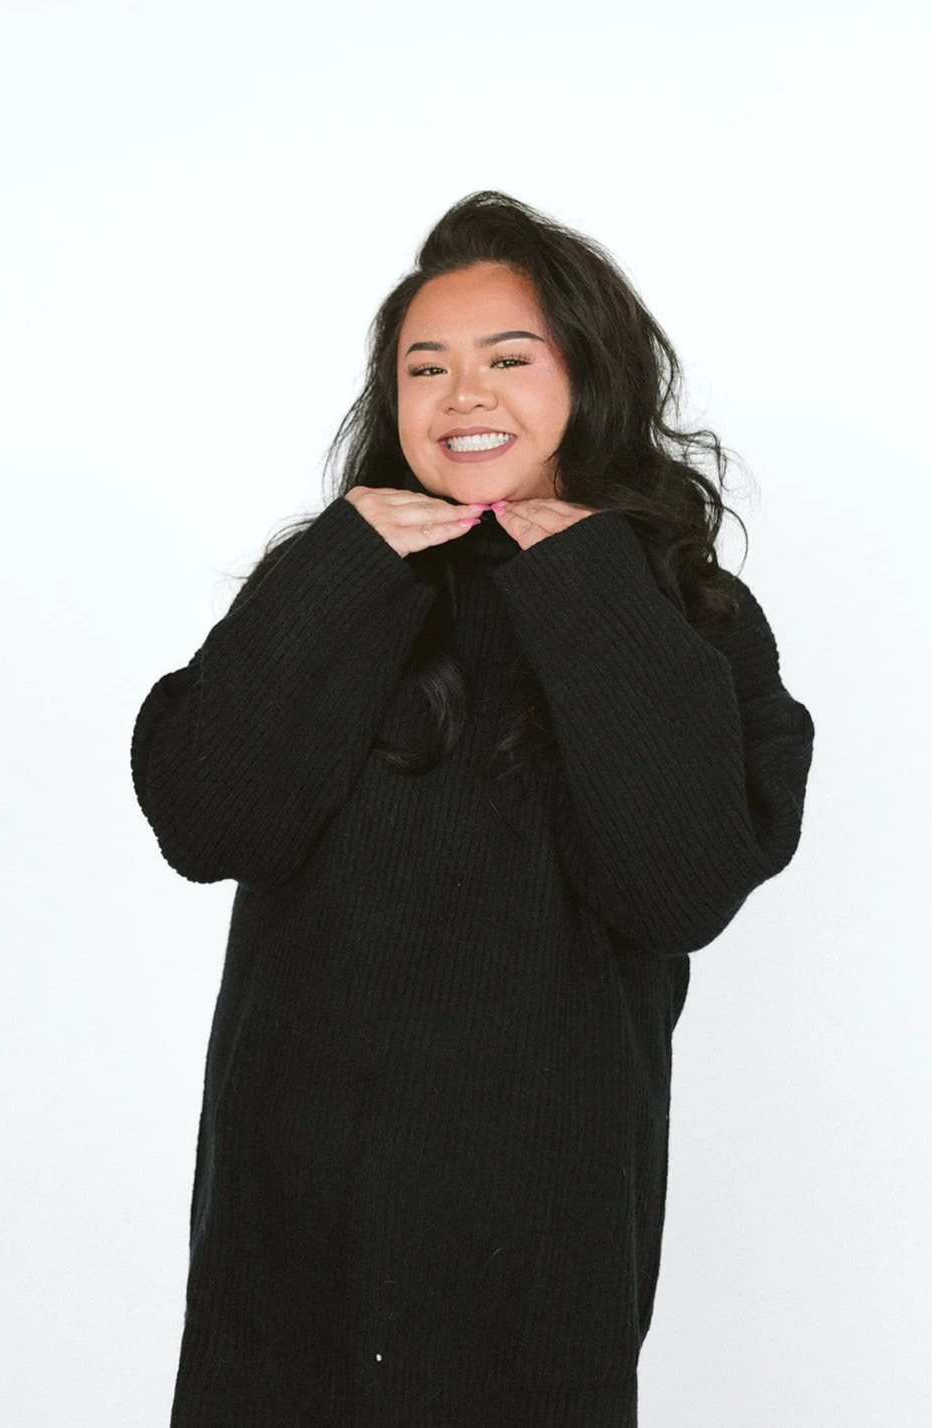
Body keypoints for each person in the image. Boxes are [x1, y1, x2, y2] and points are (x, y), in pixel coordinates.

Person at [131, 189, 815, 1427]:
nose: (462, 396)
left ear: (588, 379)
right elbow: (205, 822)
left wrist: (587, 585)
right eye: (423, 366)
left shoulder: (683, 613)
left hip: (536, 1248)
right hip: (287, 1234)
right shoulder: (336, 581)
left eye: (509, 358)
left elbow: (676, 889)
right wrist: (337, 572)